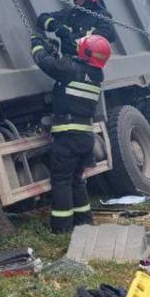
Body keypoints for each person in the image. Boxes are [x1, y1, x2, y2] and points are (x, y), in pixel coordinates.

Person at [31, 32, 112, 234]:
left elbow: (45, 63)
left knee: (61, 182)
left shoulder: (71, 70)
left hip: (68, 136)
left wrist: (37, 43)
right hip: (84, 137)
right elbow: (65, 68)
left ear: (86, 51)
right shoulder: (95, 77)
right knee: (77, 180)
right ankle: (84, 222)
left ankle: (62, 229)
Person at [37, 0, 117, 56]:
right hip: (68, 60)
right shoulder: (71, 13)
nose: (77, 2)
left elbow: (109, 35)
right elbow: (42, 18)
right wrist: (57, 26)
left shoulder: (102, 16)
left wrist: (70, 36)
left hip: (88, 63)